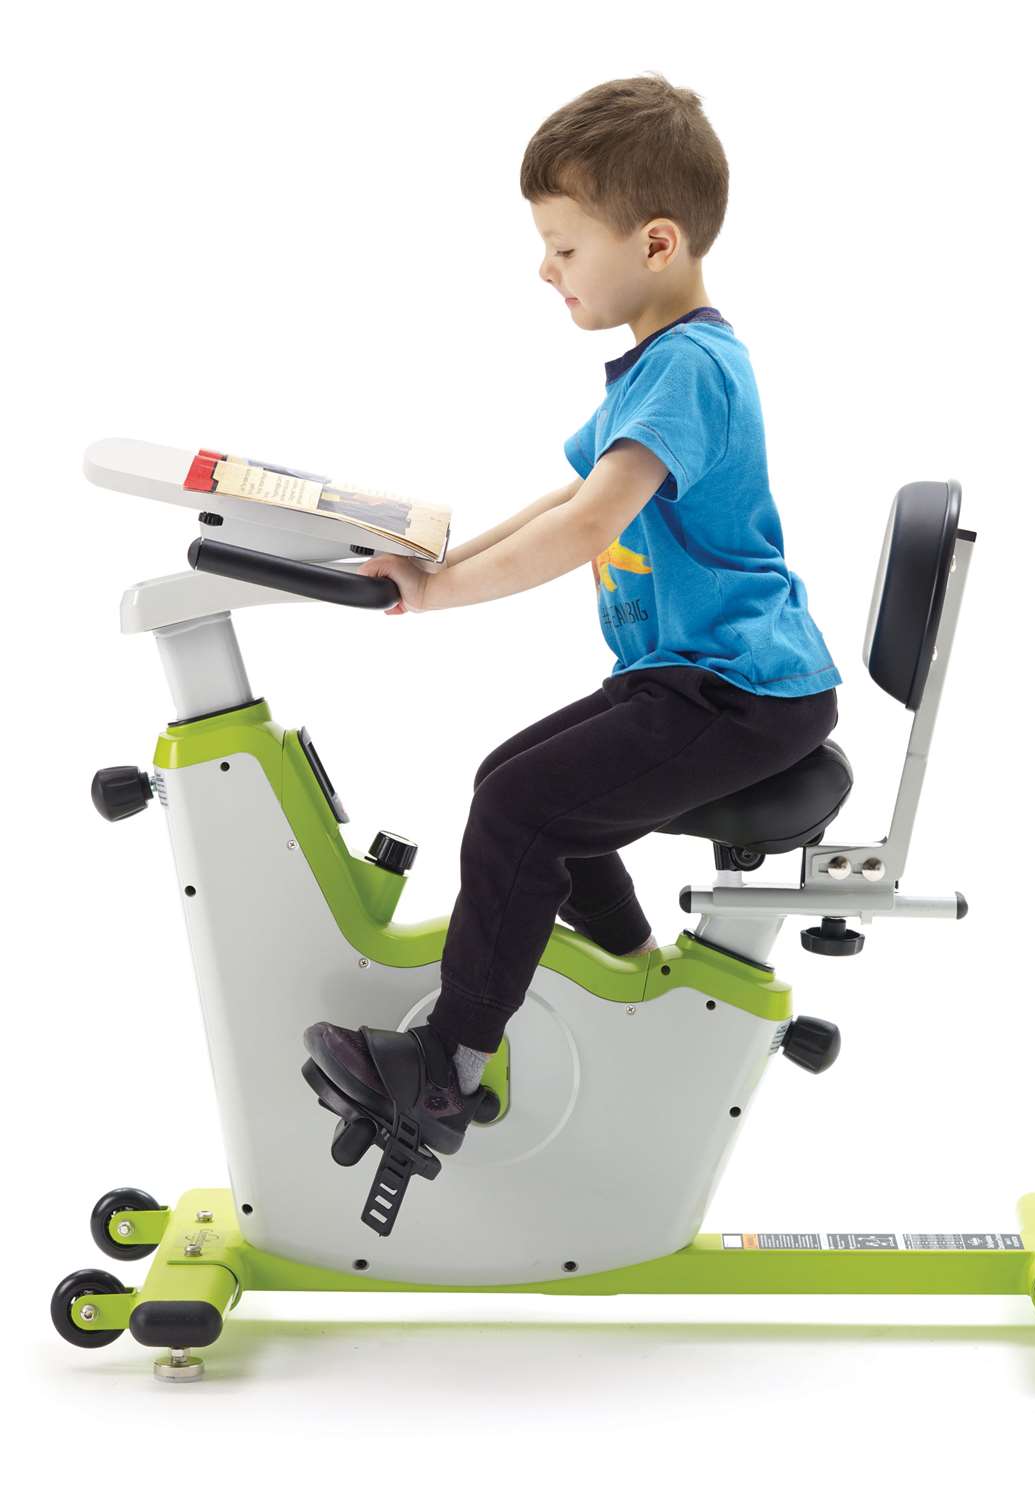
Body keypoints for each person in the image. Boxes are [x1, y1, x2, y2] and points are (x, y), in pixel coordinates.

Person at [303, 72, 841, 1163]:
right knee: (510, 782)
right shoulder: (655, 367)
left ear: (654, 243)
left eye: (562, 246)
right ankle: (637, 973)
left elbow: (591, 524)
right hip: (694, 677)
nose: (544, 269)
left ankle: (442, 1073)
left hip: (741, 691)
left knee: (524, 811)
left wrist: (439, 594)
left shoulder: (689, 367)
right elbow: (570, 497)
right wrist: (438, 559)